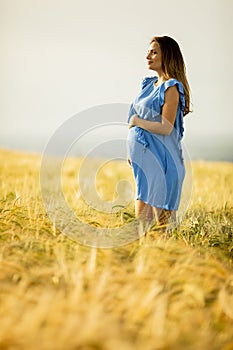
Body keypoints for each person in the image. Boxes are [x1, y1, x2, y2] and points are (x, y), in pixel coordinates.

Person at [127, 35, 191, 231]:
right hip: (144, 160)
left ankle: (164, 258)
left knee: (161, 228)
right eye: (148, 52)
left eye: (154, 52)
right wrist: (132, 151)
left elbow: (165, 127)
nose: (148, 56)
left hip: (162, 162)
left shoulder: (170, 87)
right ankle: (144, 259)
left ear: (168, 56)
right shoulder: (147, 85)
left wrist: (136, 122)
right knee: (142, 226)